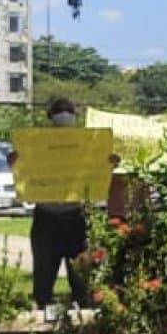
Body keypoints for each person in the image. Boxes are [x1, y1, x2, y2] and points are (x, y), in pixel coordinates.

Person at [10, 99, 107, 310]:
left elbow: (98, 171)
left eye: (68, 111)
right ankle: (44, 316)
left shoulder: (88, 144)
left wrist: (108, 162)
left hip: (76, 217)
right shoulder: (35, 144)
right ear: (50, 116)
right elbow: (26, 181)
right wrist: (15, 163)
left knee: (81, 277)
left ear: (75, 115)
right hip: (46, 218)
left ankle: (83, 320)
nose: (64, 115)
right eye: (59, 111)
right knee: (44, 275)